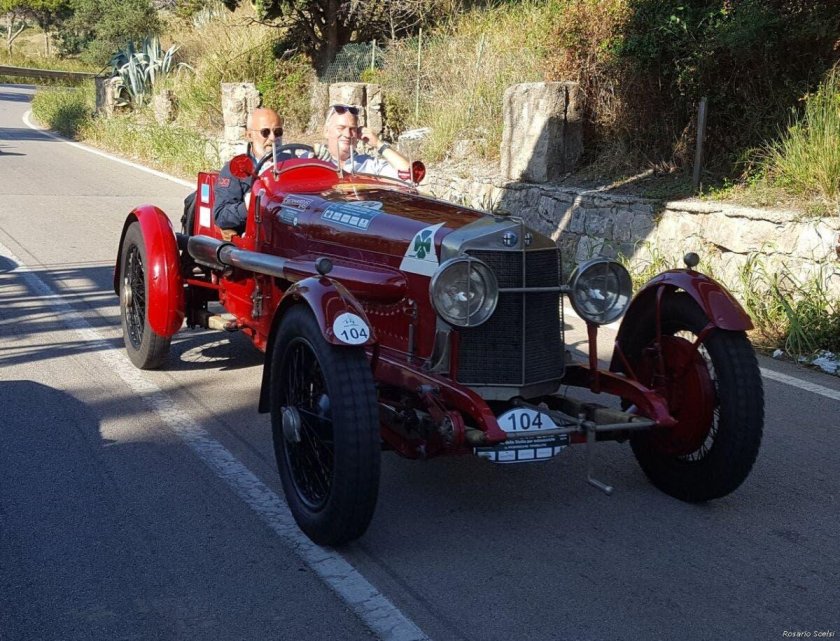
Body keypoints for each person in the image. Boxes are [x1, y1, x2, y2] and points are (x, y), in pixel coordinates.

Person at [213, 107, 284, 234]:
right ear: (250, 135)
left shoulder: (292, 163)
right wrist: (248, 206)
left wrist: (323, 161)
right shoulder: (236, 169)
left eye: (277, 132)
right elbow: (220, 215)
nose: (273, 138)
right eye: (265, 132)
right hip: (256, 239)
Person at [313, 104, 410, 178]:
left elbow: (410, 175)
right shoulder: (312, 159)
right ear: (326, 131)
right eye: (341, 128)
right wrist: (313, 156)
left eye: (352, 129)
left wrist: (378, 144)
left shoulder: (369, 164)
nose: (347, 134)